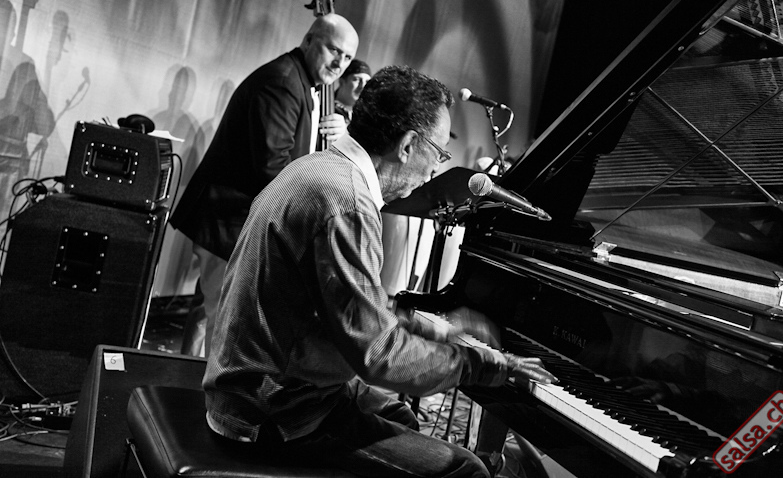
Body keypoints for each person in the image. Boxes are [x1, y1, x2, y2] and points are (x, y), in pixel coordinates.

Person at [203, 65, 556, 477]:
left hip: (262, 385)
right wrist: (488, 365)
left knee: (401, 416)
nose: (435, 169)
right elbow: (378, 357)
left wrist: (436, 329)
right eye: (439, 153)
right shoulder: (348, 203)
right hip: (274, 413)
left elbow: (349, 309)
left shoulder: (319, 168)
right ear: (408, 145)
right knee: (465, 469)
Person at [170, 13, 359, 356]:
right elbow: (272, 168)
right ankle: (202, 389)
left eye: (347, 57)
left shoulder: (301, 81)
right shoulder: (283, 82)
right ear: (308, 41)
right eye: (334, 50)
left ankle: (193, 382)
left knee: (218, 323)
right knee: (225, 328)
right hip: (228, 223)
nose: (339, 64)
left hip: (233, 222)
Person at [333, 58, 371, 124]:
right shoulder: (327, 108)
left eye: (367, 82)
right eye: (357, 79)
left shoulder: (364, 116)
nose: (362, 86)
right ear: (342, 81)